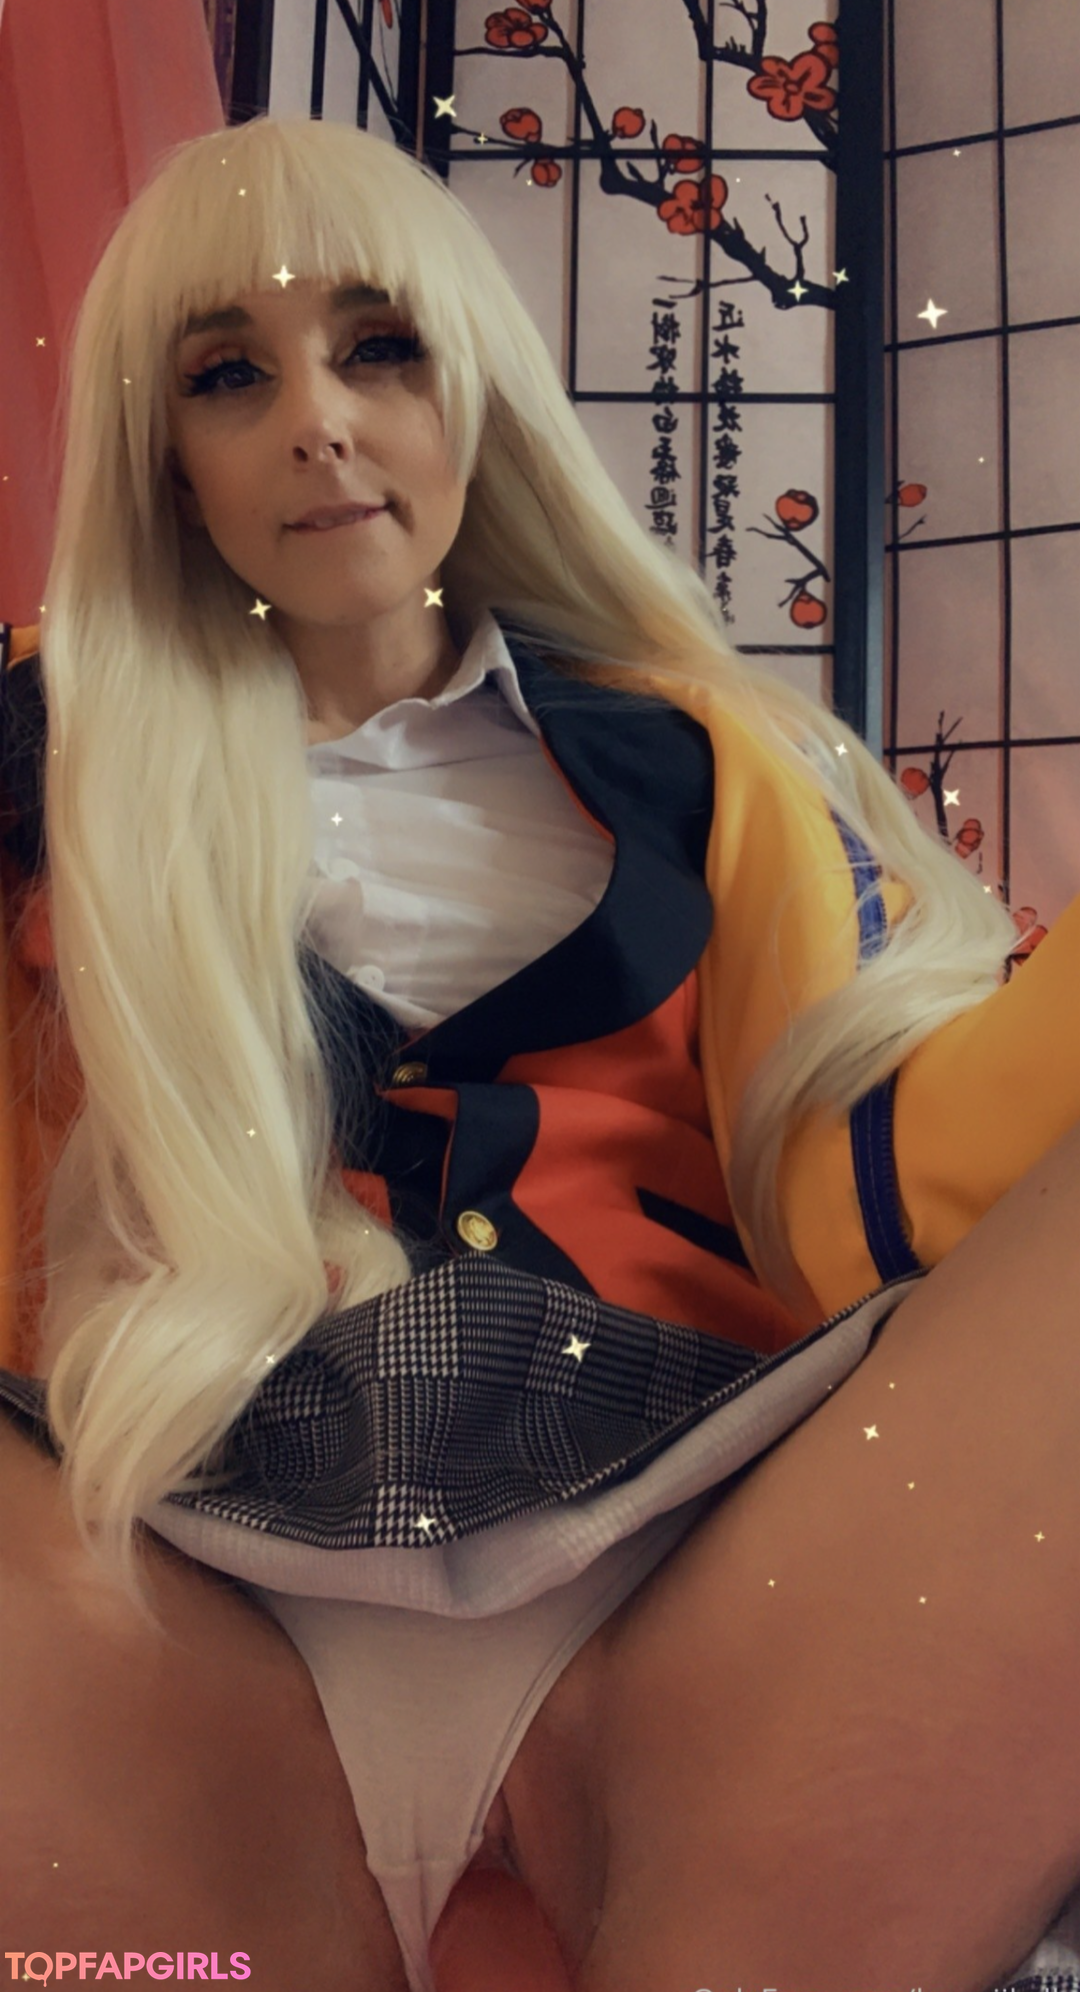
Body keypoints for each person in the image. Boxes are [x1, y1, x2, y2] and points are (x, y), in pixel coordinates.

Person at [2, 112, 1080, 1992]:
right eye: (231, 376)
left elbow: (884, 1161)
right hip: (172, 1619)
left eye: (379, 346)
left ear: (475, 385)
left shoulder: (716, 763)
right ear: (163, 455)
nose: (320, 422)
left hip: (716, 1602)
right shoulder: (49, 766)